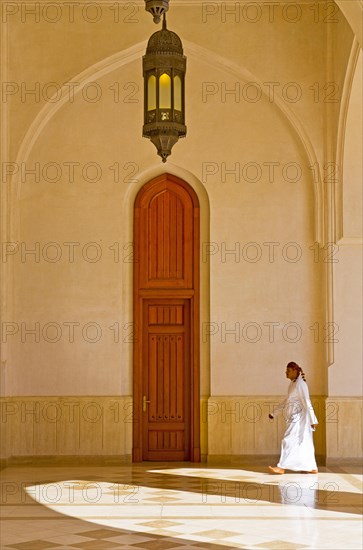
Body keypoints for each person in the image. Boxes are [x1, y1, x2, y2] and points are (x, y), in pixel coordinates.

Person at [268, 361, 318, 474]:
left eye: (288, 370)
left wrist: (313, 419)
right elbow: (287, 400)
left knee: (288, 440)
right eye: (286, 370)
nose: (286, 372)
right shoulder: (292, 384)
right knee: (304, 442)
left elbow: (306, 401)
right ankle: (310, 467)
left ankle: (281, 467)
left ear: (295, 371)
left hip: (299, 418)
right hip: (293, 417)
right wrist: (274, 413)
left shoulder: (301, 384)